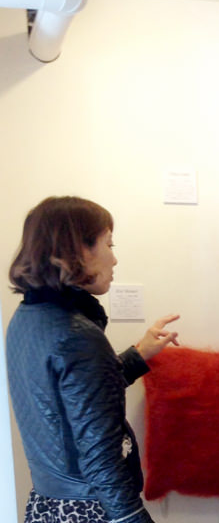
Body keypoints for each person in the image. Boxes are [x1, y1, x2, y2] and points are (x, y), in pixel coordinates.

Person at [6, 196, 180, 523]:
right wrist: (132, 518)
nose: (114, 259)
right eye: (109, 244)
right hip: (89, 509)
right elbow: (101, 459)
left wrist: (138, 355)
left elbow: (75, 401)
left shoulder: (26, 318)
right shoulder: (77, 335)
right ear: (78, 251)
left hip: (48, 506)